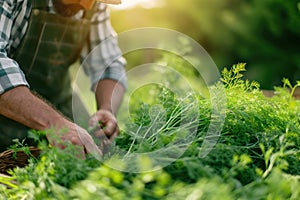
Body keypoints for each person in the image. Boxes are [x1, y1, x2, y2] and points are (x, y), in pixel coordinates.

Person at [0, 0, 127, 158]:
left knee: (94, 154)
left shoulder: (94, 4)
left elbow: (109, 64)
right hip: (6, 110)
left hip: (59, 100)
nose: (88, 5)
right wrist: (54, 123)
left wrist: (107, 108)